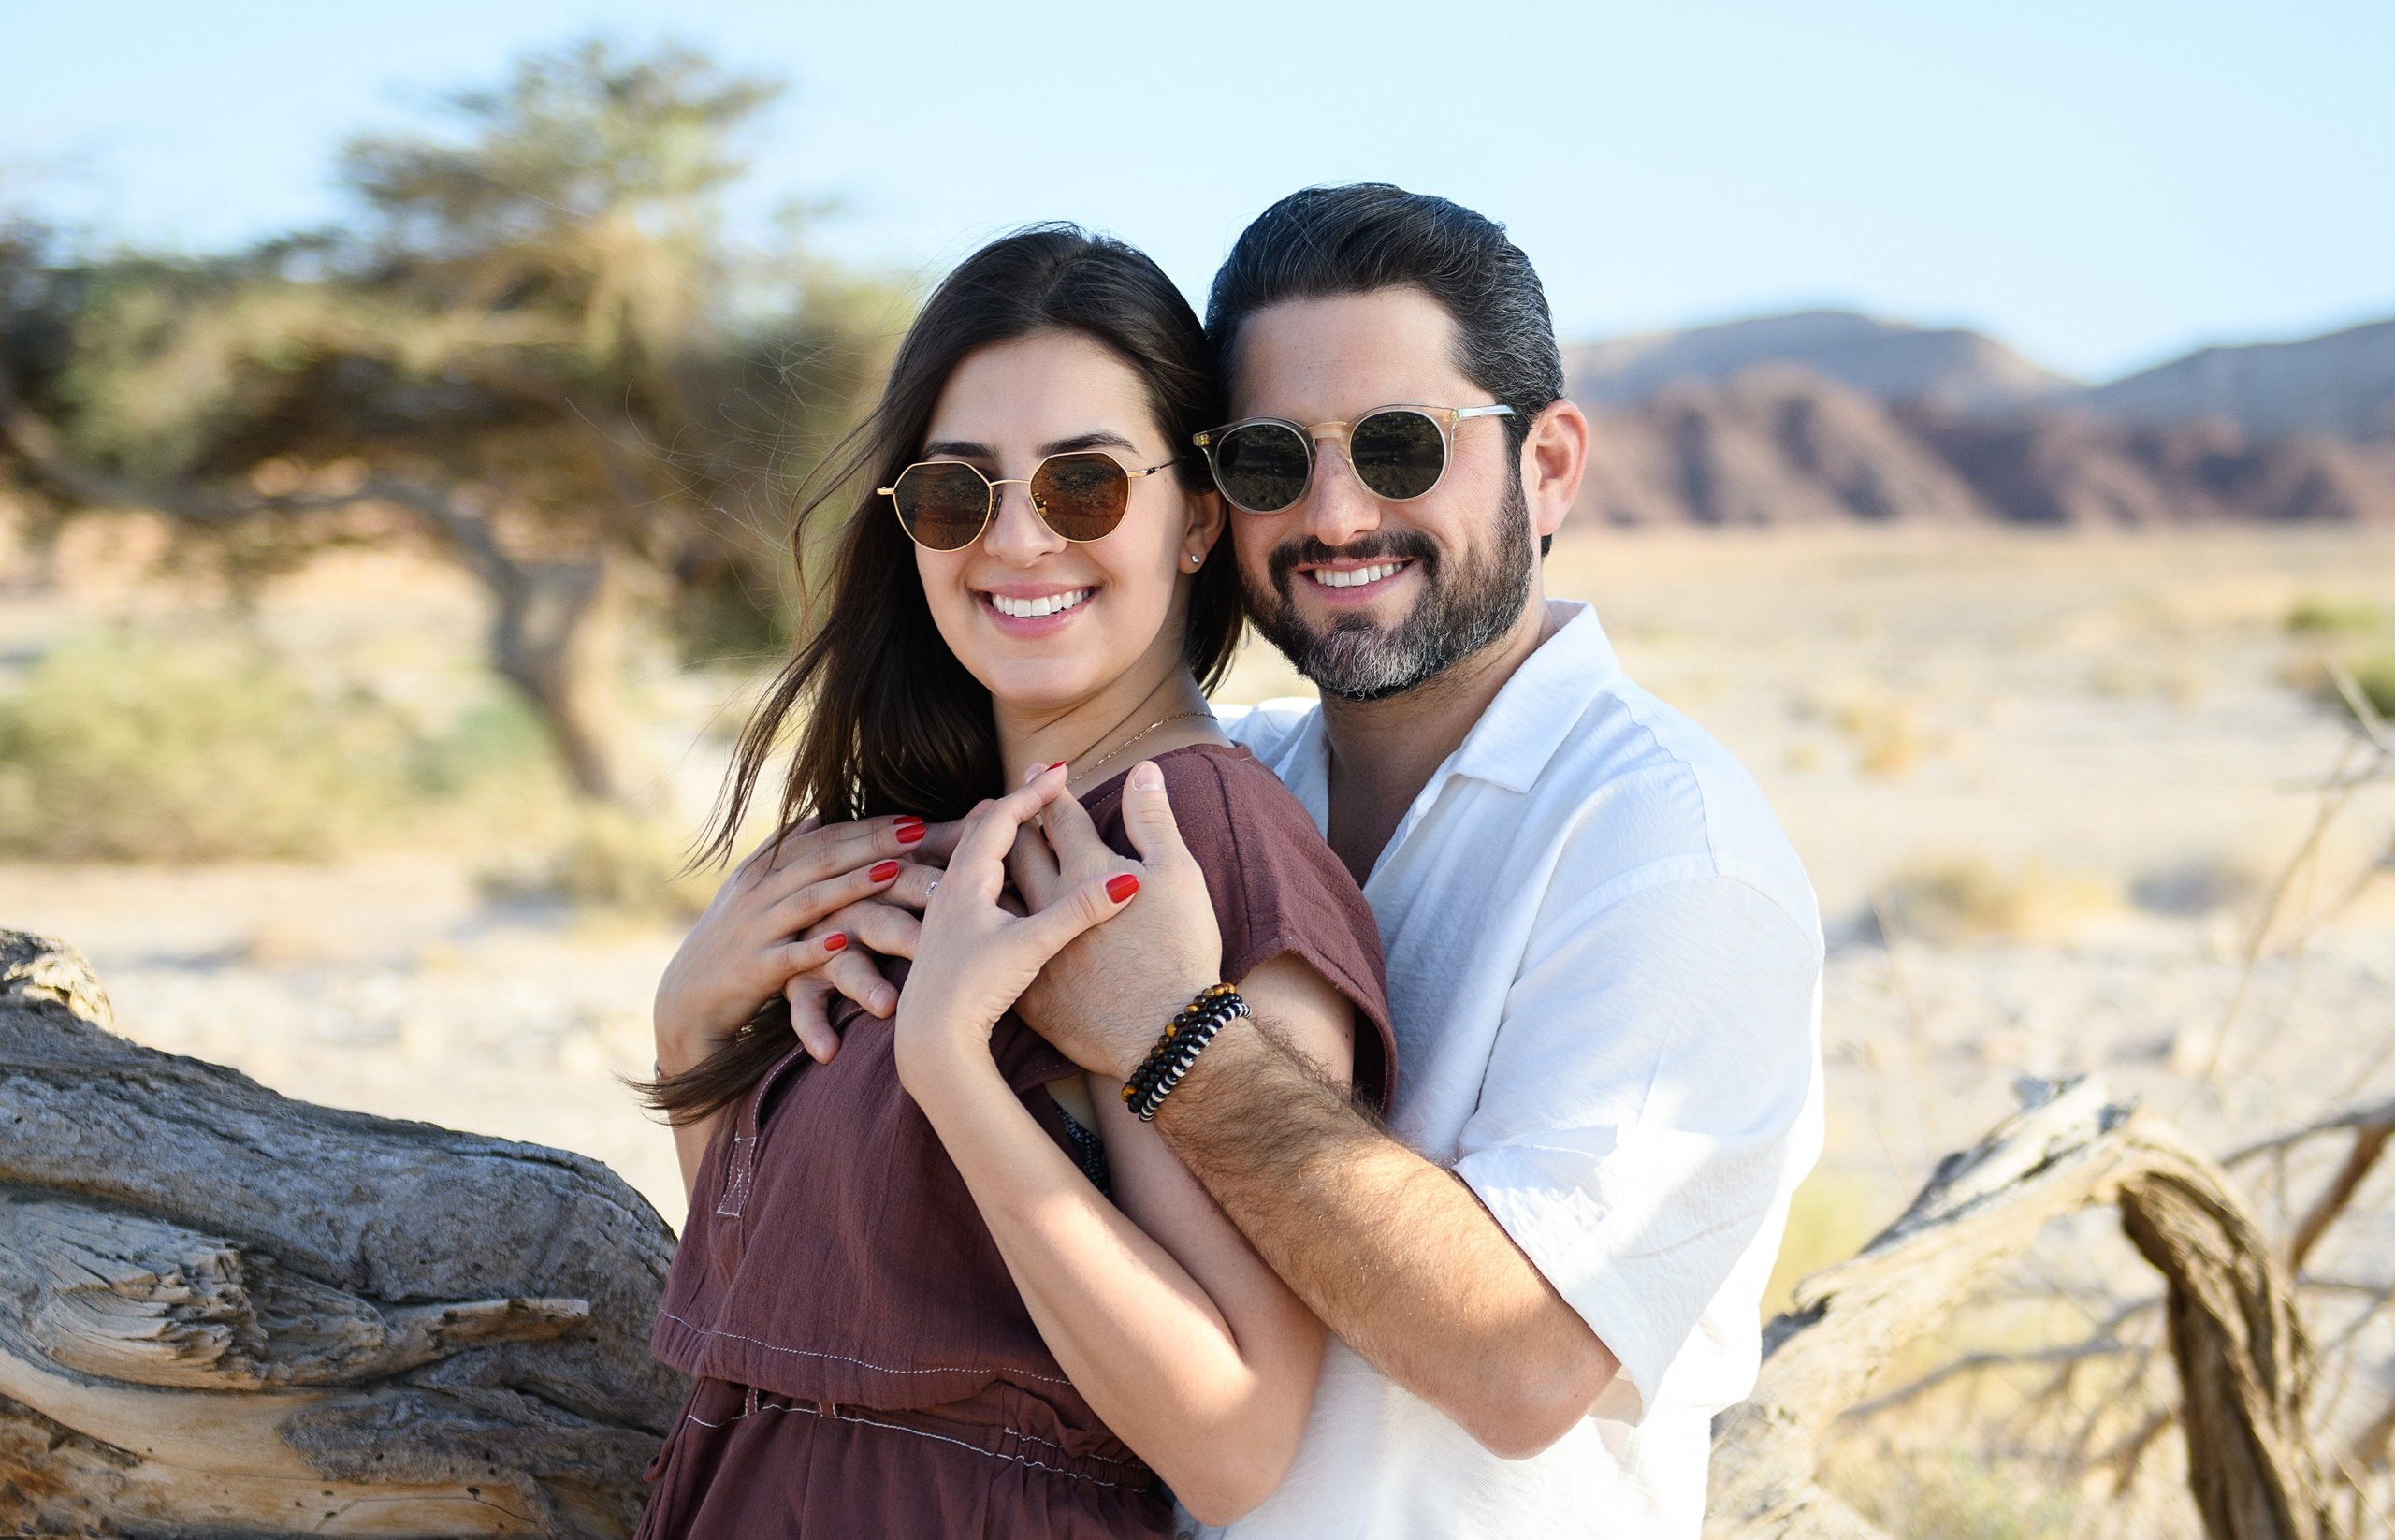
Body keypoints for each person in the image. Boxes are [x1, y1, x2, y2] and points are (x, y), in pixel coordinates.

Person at [787, 186, 1826, 1538]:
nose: (1336, 515)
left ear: (1550, 464)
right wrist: (699, 1022)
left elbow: (1520, 1365)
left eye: (1401, 448)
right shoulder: (1217, 791)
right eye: (1275, 459)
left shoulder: (1667, 848)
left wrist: (1177, 1038)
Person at [636, 226, 1398, 1537]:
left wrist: (950, 1065)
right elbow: (800, 1296)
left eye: (1085, 486)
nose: (1019, 539)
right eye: (956, 492)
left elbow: (1236, 1435)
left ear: (1201, 519)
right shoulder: (926, 846)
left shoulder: (1180, 842)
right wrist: (693, 1027)